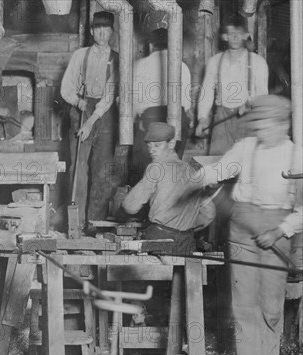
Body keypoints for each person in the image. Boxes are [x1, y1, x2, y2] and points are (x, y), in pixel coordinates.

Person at [191, 95, 302, 355]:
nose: (260, 129)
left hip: (276, 231)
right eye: (258, 123)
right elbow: (219, 170)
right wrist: (193, 178)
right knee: (243, 304)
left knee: (270, 308)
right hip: (241, 229)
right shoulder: (246, 147)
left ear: (283, 124)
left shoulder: (297, 156)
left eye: (266, 124)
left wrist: (282, 230)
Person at [61, 11, 119, 226]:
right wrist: (77, 102)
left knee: (102, 170)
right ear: (92, 31)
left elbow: (110, 94)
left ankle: (95, 222)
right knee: (78, 167)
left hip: (104, 113)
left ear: (112, 32)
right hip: (82, 108)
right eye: (98, 29)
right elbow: (66, 87)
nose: (102, 33)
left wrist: (91, 120)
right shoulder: (80, 55)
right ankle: (75, 222)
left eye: (107, 29)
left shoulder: (116, 59)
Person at [122, 122, 215, 253]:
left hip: (160, 239)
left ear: (171, 144)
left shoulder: (156, 167)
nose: (152, 150)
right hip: (186, 242)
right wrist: (183, 226)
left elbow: (130, 206)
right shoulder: (193, 172)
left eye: (157, 145)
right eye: (149, 146)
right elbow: (209, 214)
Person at [195, 15, 268, 156]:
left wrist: (251, 104)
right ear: (224, 36)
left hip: (248, 118)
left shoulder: (258, 62)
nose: (235, 37)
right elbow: (207, 91)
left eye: (239, 33)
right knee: (218, 164)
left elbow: (263, 94)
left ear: (246, 35)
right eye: (231, 33)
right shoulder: (214, 62)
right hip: (221, 120)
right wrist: (203, 118)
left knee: (246, 166)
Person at [131, 27, 192, 185]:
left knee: (146, 174)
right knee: (171, 171)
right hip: (177, 121)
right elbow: (187, 103)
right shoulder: (182, 66)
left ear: (151, 45)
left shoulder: (140, 66)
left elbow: (134, 103)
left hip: (151, 121)